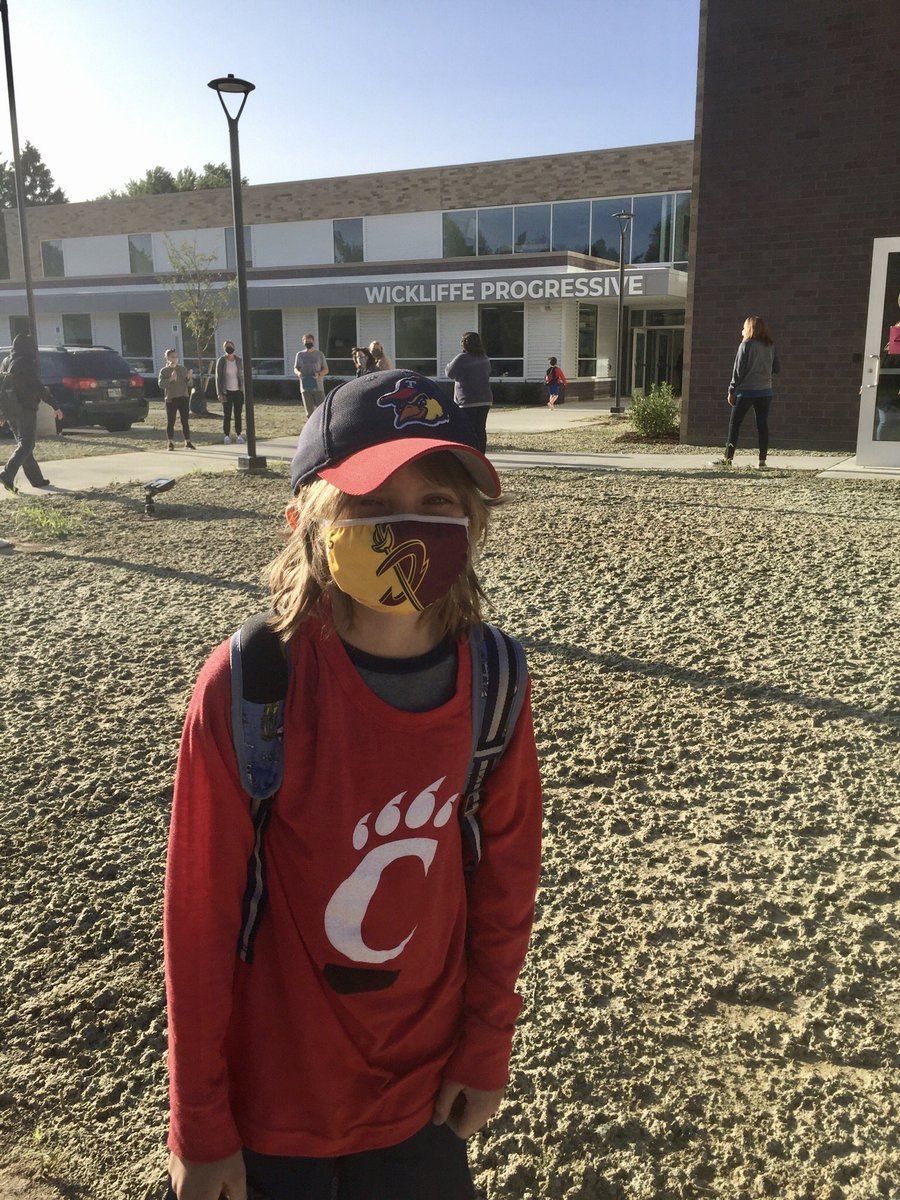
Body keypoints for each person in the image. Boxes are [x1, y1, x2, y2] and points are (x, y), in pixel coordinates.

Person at [164, 369, 541, 1200]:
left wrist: (487, 1046)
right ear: (305, 522)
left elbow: (506, 883)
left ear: (474, 524)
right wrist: (198, 1119)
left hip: (420, 1092)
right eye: (371, 504)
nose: (406, 528)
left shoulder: (495, 687)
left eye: (438, 505)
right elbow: (197, 920)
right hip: (273, 1103)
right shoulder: (249, 685)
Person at [712, 316, 781, 468]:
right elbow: (776, 368)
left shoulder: (745, 345)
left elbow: (738, 371)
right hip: (766, 391)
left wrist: (731, 390)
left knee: (735, 424)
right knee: (762, 425)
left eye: (744, 327)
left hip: (747, 391)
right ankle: (762, 461)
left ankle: (728, 459)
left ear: (749, 328)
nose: (741, 330)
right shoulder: (770, 346)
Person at [0, 333, 63, 494]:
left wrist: (2, 414)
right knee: (27, 444)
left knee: (24, 446)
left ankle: (36, 480)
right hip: (25, 409)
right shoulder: (26, 363)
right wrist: (55, 405)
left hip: (10, 411)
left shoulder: (6, 362)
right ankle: (7, 474)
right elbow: (38, 387)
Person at [444, 333, 492, 452]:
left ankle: (470, 452)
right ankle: (481, 453)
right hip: (485, 399)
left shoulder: (461, 358)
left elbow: (449, 373)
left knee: (467, 429)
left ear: (464, 344)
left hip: (467, 400)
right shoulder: (484, 358)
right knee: (480, 429)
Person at [157, 349, 195, 451]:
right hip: (171, 398)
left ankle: (188, 442)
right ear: (167, 358)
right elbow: (161, 384)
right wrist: (170, 379)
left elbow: (190, 384)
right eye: (172, 357)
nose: (175, 359)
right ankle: (170, 442)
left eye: (176, 357)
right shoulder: (164, 371)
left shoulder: (182, 369)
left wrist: (188, 378)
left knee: (185, 421)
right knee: (171, 421)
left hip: (183, 397)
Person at [215, 340, 245, 446]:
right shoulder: (221, 361)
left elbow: (242, 375)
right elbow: (218, 377)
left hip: (238, 391)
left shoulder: (239, 360)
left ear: (234, 347)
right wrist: (219, 393)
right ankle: (226, 435)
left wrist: (243, 388)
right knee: (227, 415)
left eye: (230, 346)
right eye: (226, 347)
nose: (229, 348)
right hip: (226, 391)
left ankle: (239, 435)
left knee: (238, 414)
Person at [294, 333, 329, 416]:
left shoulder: (319, 354)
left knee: (322, 411)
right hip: (305, 386)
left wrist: (319, 374)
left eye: (310, 341)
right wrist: (298, 373)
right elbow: (295, 368)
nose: (308, 343)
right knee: (309, 412)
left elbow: (326, 369)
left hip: (318, 386)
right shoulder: (300, 355)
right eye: (306, 342)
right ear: (303, 342)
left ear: (313, 342)